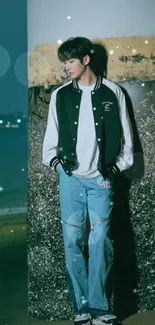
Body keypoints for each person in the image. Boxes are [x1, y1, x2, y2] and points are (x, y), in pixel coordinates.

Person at [42, 37, 133, 325]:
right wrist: (56, 164)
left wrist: (115, 169)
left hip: (100, 182)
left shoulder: (112, 92)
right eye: (63, 62)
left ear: (85, 60)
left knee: (101, 242)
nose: (66, 67)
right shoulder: (60, 95)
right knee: (72, 243)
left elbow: (127, 141)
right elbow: (50, 138)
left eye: (70, 61)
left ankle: (99, 308)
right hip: (70, 180)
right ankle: (81, 308)